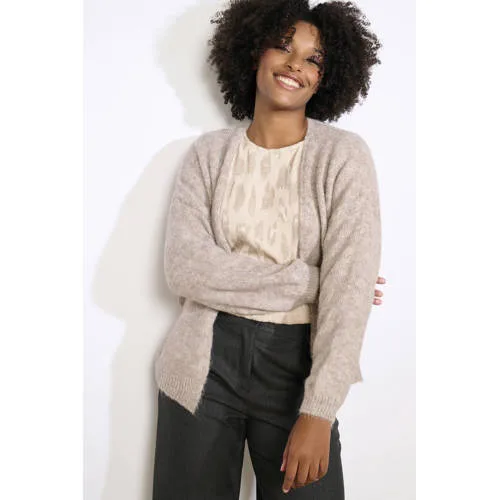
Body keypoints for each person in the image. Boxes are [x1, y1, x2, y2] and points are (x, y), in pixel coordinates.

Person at [152, 1, 385, 498]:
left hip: (297, 367)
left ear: (325, 78)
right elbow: (185, 269)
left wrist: (319, 411)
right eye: (283, 46)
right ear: (254, 51)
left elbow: (348, 301)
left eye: (313, 59)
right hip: (203, 363)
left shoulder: (344, 156)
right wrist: (317, 279)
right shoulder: (208, 155)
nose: (295, 64)